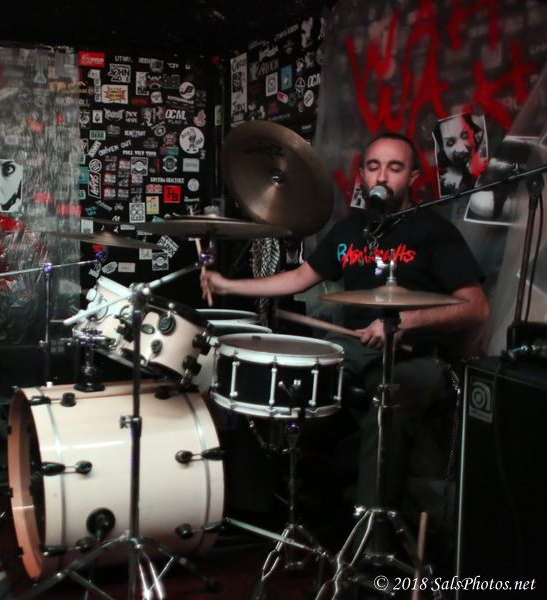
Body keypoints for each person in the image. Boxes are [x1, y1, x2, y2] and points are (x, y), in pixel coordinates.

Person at [201, 132, 490, 509]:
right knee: (277, 386)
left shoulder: (434, 233)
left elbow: (476, 308)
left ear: (413, 178)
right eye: (373, 167)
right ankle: (265, 509)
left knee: (388, 407)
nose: (382, 176)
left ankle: (372, 531)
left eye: (395, 167)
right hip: (352, 346)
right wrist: (227, 285)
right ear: (362, 176)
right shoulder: (350, 231)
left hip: (414, 354)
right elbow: (299, 277)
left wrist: (405, 322)